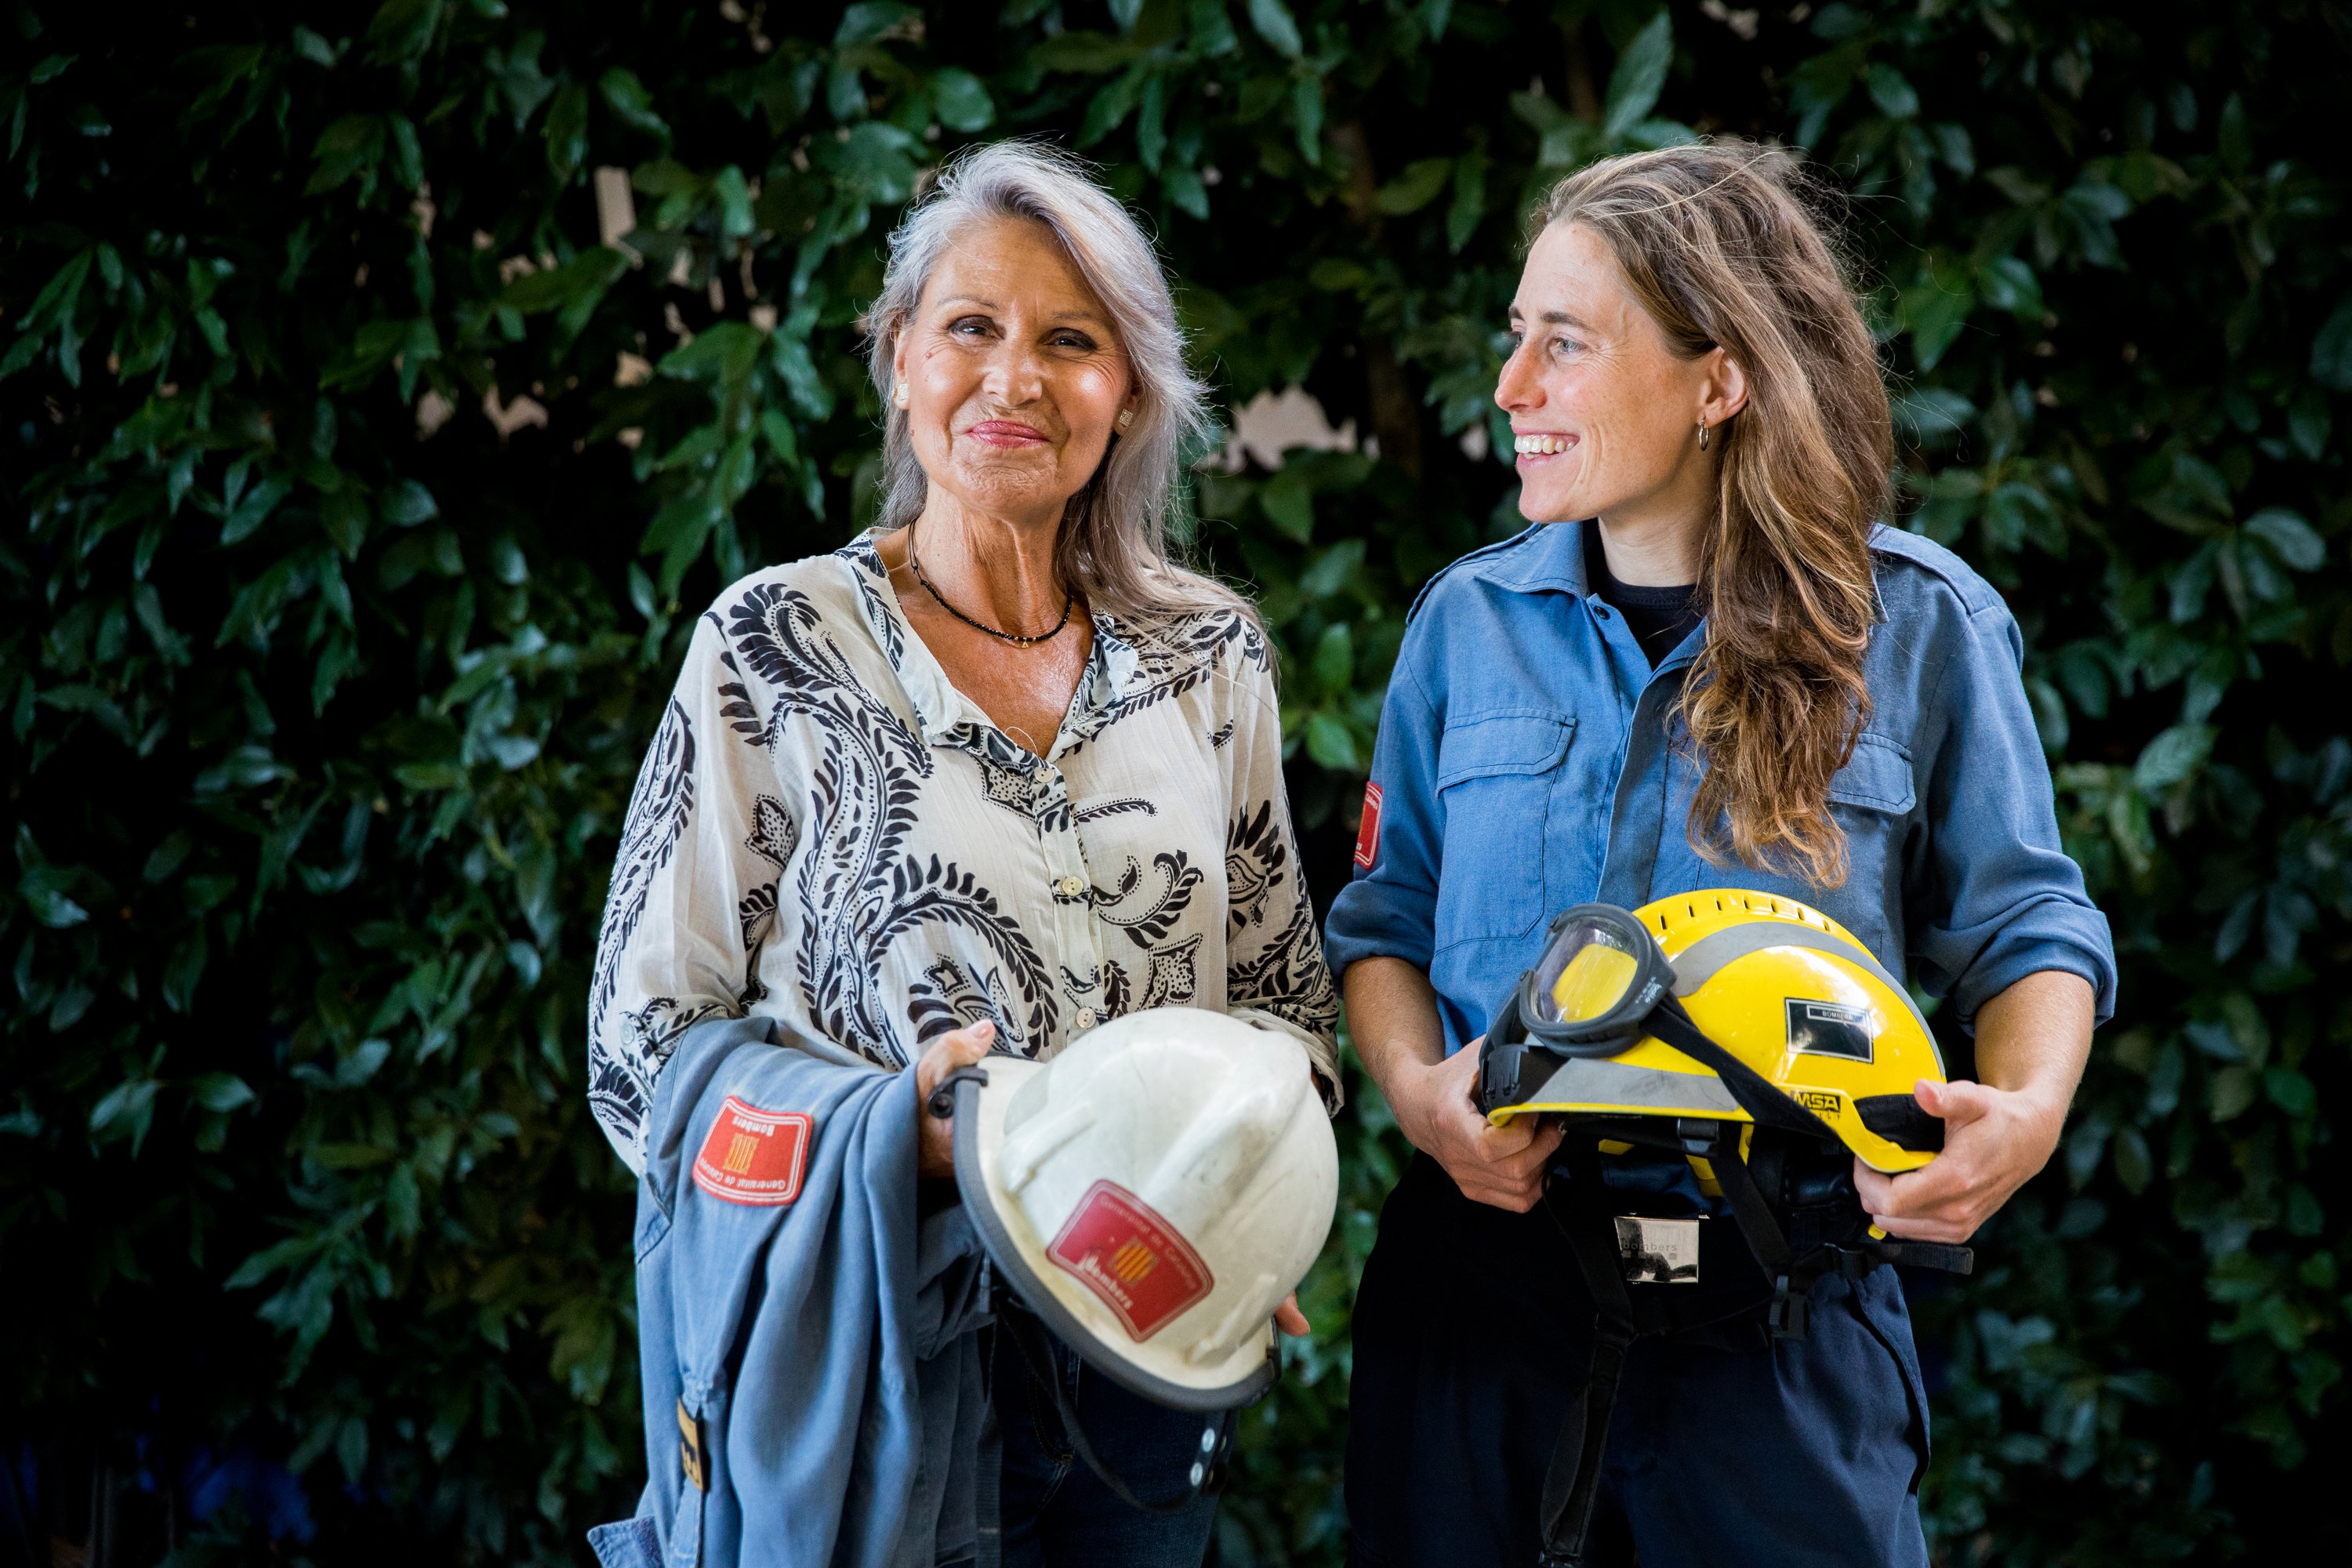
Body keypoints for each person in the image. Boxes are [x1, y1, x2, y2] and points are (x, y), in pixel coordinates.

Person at [1324, 142, 2117, 1566]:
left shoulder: (1919, 627)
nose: (1512, 389)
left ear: (1719, 377)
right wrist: (1415, 1095)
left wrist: (2032, 1107)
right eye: (1518, 340)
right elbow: (1385, 917)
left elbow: (2029, 928)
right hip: (1481, 1302)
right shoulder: (1463, 625)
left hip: (1786, 1308)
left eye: (1562, 344)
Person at [588, 140, 1338, 1566]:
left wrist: (1252, 1194)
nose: (1016, 381)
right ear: (898, 360)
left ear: (1126, 396)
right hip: (870, 1360)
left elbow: (1287, 1012)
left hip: (1146, 1348)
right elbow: (643, 1051)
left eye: (1073, 342)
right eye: (971, 331)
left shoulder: (1208, 657)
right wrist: (891, 1148)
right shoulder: (773, 646)